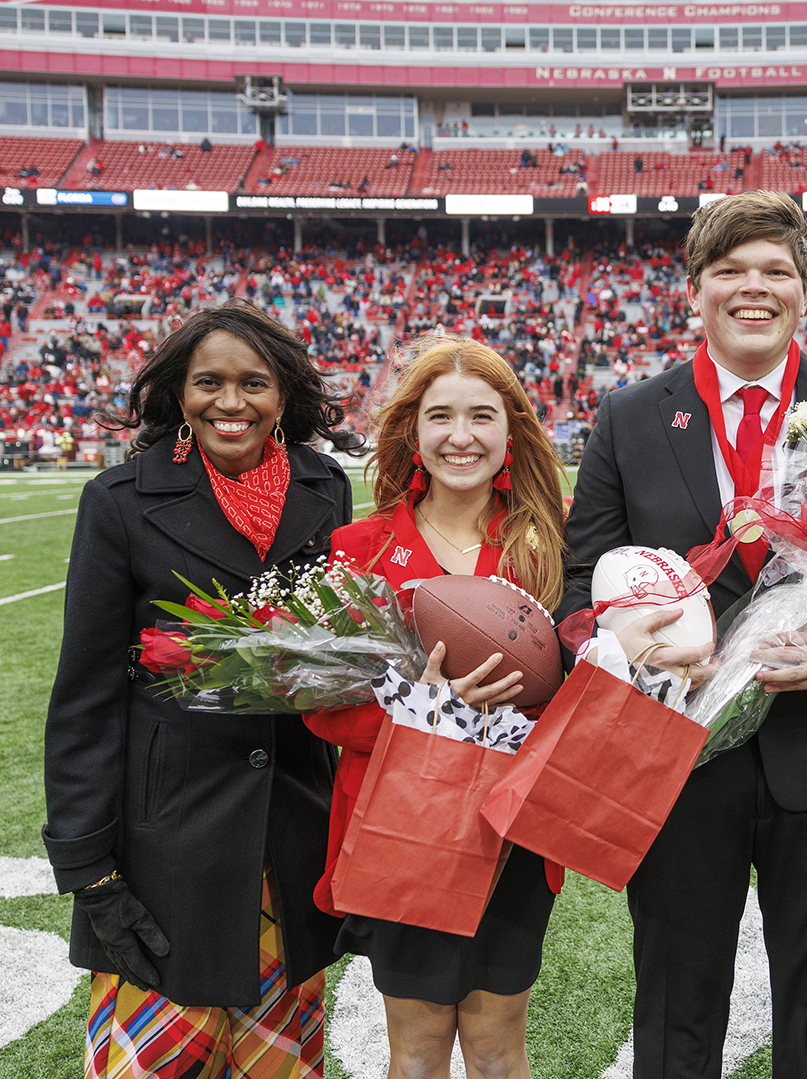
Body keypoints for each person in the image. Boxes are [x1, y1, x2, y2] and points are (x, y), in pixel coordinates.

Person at [561, 191, 807, 1079]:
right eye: (729, 271)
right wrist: (633, 647)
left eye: (775, 272)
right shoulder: (630, 417)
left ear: (805, 290)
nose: (753, 289)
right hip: (674, 758)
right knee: (676, 1000)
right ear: (694, 289)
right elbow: (576, 586)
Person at [42, 300, 364, 1078]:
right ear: (178, 396)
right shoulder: (118, 500)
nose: (231, 402)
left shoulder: (326, 487)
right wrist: (88, 869)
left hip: (289, 840)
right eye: (209, 382)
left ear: (284, 395)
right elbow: (84, 698)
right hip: (166, 846)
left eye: (254, 382)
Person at [304, 336, 569, 1079]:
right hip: (402, 829)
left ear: (509, 429)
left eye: (481, 415)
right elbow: (322, 708)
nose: (461, 436)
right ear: (411, 433)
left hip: (511, 832)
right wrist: (427, 708)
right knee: (416, 1054)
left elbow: (588, 690)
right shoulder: (357, 548)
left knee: (495, 1050)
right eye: (440, 416)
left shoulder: (551, 546)